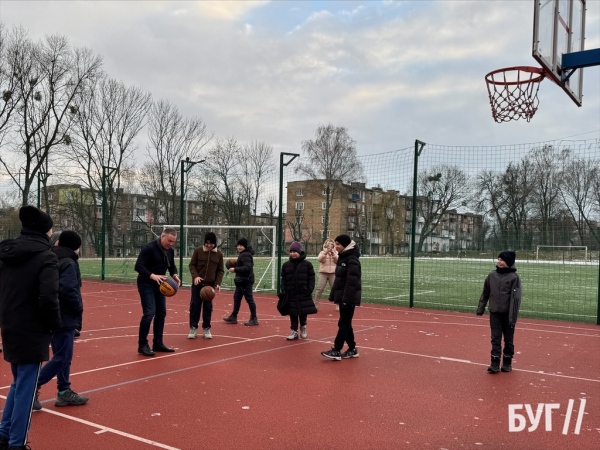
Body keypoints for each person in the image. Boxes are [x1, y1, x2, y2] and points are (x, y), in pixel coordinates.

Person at [0, 206, 61, 450]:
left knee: (19, 382)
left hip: (10, 324)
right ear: (46, 231)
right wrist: (55, 325)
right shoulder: (46, 257)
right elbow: (48, 298)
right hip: (33, 328)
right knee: (26, 386)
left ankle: (4, 433)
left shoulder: (6, 254)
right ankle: (17, 443)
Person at [33, 231, 88, 411]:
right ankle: (32, 387)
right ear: (76, 247)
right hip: (65, 315)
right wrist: (78, 309)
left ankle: (64, 391)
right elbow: (69, 289)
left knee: (62, 356)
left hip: (52, 314)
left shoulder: (51, 259)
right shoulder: (69, 263)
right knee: (63, 356)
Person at [134, 228, 180, 357]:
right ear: (162, 236)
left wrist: (175, 275)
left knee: (161, 313)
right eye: (169, 240)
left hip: (161, 285)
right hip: (146, 283)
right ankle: (142, 345)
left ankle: (158, 343)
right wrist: (152, 275)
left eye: (173, 242)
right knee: (149, 313)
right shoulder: (149, 248)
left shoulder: (170, 251)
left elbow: (172, 266)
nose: (171, 244)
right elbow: (138, 266)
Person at [477, 251, 522, 373]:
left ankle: (507, 362)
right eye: (498, 259)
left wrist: (512, 317)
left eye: (502, 260)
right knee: (495, 338)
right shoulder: (492, 276)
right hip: (495, 314)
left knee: (508, 339)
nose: (499, 262)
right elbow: (485, 292)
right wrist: (481, 308)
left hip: (508, 315)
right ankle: (495, 363)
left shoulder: (514, 278)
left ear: (508, 262)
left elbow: (516, 299)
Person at [321, 234, 361, 361]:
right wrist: (335, 295)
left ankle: (337, 349)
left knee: (343, 323)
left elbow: (352, 282)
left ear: (345, 245)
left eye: (338, 244)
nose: (336, 246)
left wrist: (346, 299)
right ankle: (352, 349)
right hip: (343, 296)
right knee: (346, 323)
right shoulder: (343, 258)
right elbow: (339, 280)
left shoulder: (352, 259)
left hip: (348, 298)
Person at [188, 232, 224, 339]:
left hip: (209, 287)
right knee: (195, 307)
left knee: (208, 308)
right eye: (207, 244)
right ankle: (193, 328)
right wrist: (196, 276)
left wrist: (217, 283)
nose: (209, 246)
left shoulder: (219, 254)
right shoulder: (198, 251)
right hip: (197, 285)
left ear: (215, 243)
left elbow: (220, 270)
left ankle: (206, 328)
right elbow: (192, 265)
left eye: (211, 244)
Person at [281, 241, 317, 340]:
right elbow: (283, 279)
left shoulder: (307, 265)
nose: (293, 254)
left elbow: (311, 278)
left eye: (295, 251)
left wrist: (309, 289)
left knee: (303, 311)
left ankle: (303, 327)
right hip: (291, 293)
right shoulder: (286, 265)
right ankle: (294, 330)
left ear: (300, 252)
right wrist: (284, 289)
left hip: (303, 292)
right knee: (292, 312)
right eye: (291, 251)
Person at [223, 238, 259, 326]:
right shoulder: (243, 254)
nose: (239, 247)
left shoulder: (245, 255)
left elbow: (247, 268)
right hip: (241, 281)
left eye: (241, 246)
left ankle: (254, 318)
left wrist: (235, 269)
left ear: (245, 246)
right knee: (237, 298)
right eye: (238, 245)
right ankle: (233, 316)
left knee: (249, 299)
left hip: (246, 281)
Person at [315, 238, 338, 311]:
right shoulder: (322, 252)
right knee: (319, 289)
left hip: (333, 273)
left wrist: (333, 254)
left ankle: (338, 304)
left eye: (332, 245)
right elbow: (320, 259)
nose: (330, 247)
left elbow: (337, 261)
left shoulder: (336, 253)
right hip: (323, 273)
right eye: (328, 245)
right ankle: (316, 304)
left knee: (335, 290)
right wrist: (325, 253)